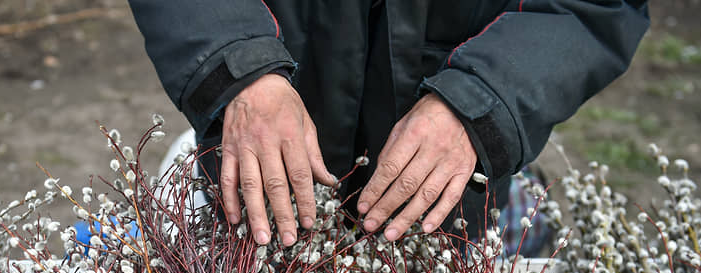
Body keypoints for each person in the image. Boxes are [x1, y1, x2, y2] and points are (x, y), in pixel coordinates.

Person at [127, 1, 649, 246]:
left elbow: (596, 6)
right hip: (254, 158)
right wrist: (238, 69)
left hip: (447, 195)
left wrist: (483, 100)